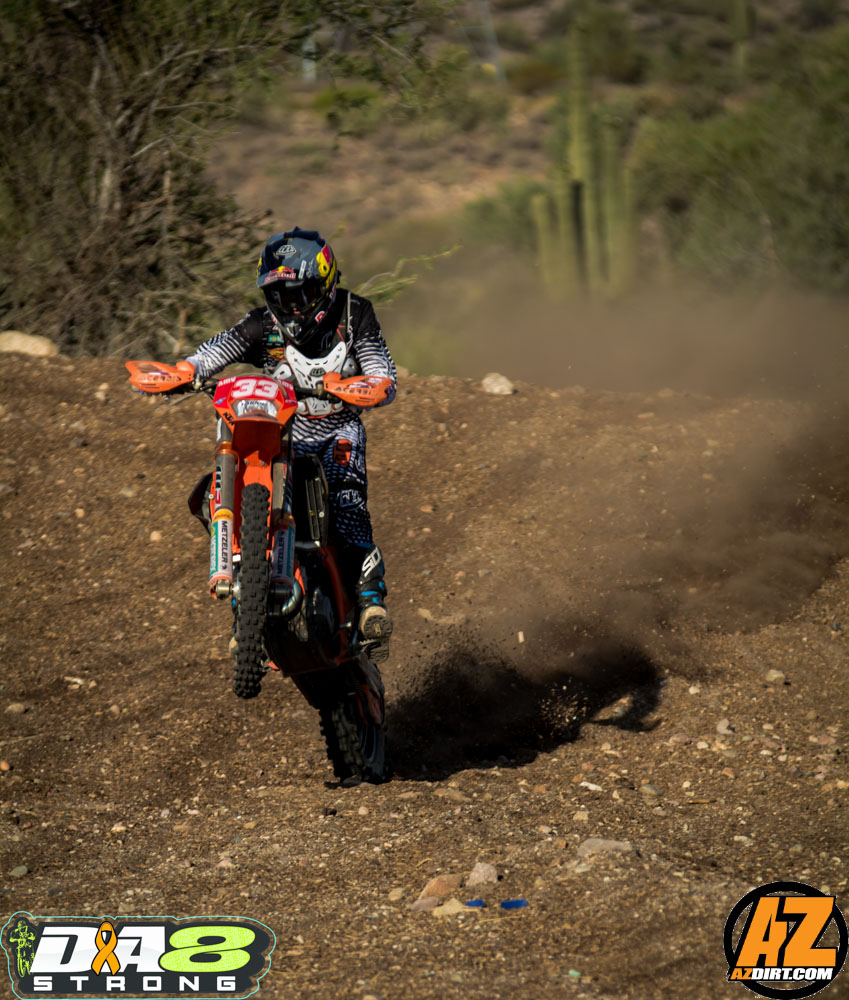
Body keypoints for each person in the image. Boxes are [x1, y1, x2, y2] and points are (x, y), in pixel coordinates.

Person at [182, 227, 396, 662]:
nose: (291, 306)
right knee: (217, 493)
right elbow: (217, 350)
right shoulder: (263, 325)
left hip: (337, 429)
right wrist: (185, 371)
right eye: (280, 296)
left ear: (324, 284)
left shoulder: (355, 314)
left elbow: (381, 371)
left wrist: (367, 385)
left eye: (300, 294)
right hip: (283, 432)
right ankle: (247, 613)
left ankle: (370, 602)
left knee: (346, 501)